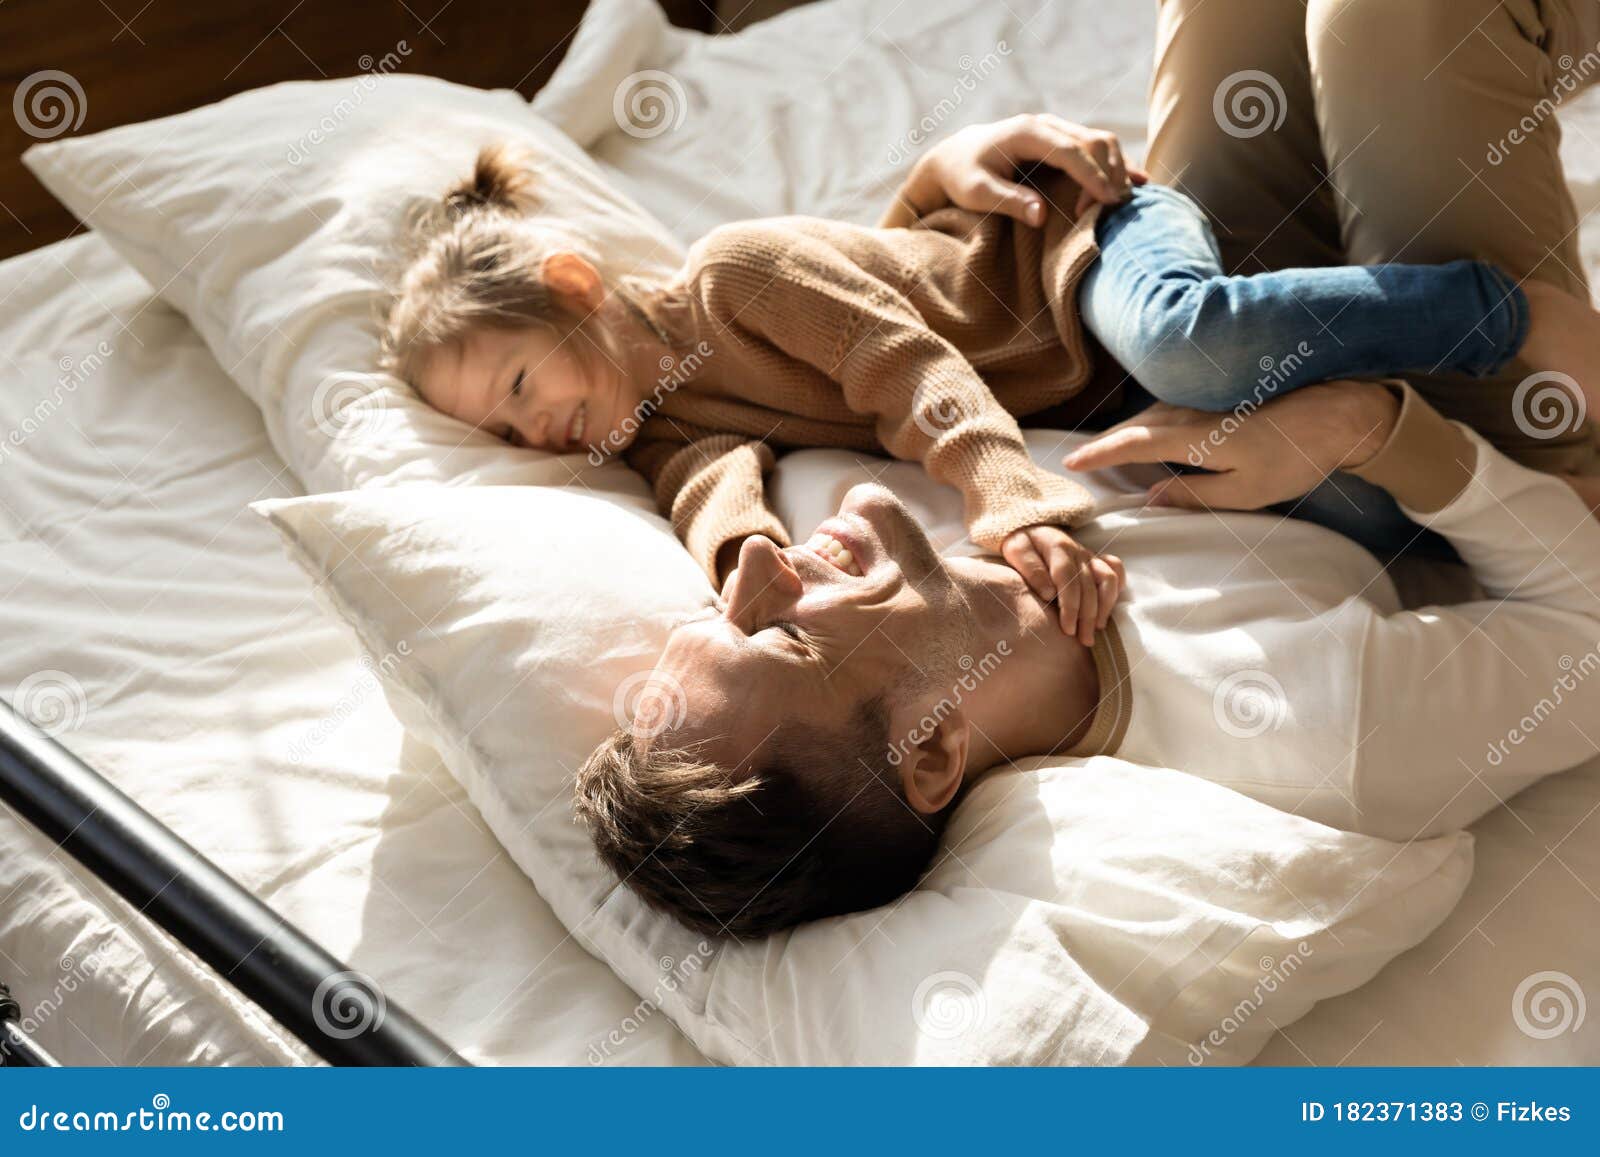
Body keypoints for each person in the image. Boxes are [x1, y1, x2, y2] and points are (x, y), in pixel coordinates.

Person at [382, 133, 1593, 645]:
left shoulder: (735, 273)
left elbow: (904, 370)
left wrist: (1012, 502)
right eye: (502, 426)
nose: (534, 429)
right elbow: (701, 478)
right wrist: (742, 546)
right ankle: (1487, 460)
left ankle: (1502, 313)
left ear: (574, 282)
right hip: (1105, 403)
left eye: (524, 381)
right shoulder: (666, 423)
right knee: (1336, 520)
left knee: (1178, 339)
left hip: (1080, 264)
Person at [573, 379, 1600, 939]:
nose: (756, 562)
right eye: (780, 631)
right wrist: (1366, 425)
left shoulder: (827, 507)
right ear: (926, 751)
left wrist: (940, 181)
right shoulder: (1312, 725)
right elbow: (1585, 633)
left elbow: (708, 394)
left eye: (720, 604)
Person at [883, 0, 1600, 536]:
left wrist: (926, 187)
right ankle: (1502, 319)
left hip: (1221, 337)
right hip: (1463, 466)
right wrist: (1377, 422)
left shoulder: (774, 364)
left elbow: (857, 302)